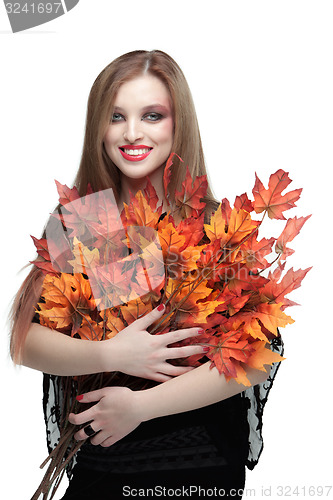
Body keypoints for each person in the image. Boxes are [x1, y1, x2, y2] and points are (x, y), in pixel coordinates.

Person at [10, 50, 283, 500]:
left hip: (201, 460)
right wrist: (112, 356)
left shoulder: (215, 225)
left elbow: (256, 355)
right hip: (103, 458)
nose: (132, 133)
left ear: (178, 124)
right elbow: (26, 341)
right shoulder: (80, 221)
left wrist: (139, 406)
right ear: (98, 125)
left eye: (151, 115)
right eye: (116, 116)